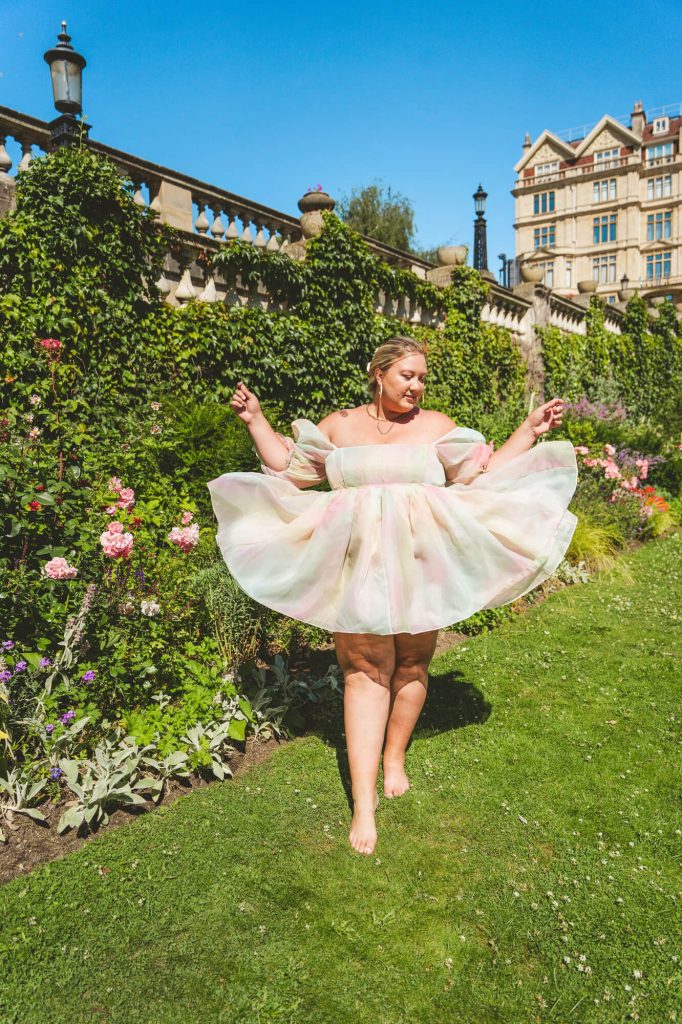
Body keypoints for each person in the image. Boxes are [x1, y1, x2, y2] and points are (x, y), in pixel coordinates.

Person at [207, 335, 578, 855]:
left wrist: (529, 429)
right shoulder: (337, 425)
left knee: (411, 663)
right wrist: (256, 421)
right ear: (377, 373)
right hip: (356, 565)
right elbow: (291, 472)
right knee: (364, 670)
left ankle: (395, 755)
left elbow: (484, 471)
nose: (417, 386)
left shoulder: (437, 426)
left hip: (420, 563)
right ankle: (363, 801)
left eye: (423, 377)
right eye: (408, 376)